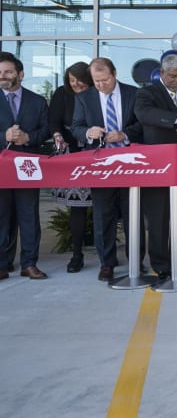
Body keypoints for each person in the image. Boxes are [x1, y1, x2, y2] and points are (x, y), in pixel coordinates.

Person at [72, 57, 145, 282]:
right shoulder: (85, 98)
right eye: (97, 81)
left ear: (114, 74)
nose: (101, 85)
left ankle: (136, 259)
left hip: (129, 163)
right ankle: (107, 263)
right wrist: (88, 132)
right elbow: (75, 127)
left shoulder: (134, 94)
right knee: (103, 215)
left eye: (105, 80)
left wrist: (125, 134)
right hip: (101, 165)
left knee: (134, 213)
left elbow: (143, 125)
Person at [135, 54, 177, 281]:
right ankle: (161, 263)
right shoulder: (147, 93)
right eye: (173, 76)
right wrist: (176, 118)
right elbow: (144, 114)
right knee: (159, 216)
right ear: (162, 73)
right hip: (159, 166)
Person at [0, 51, 50, 281]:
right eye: (0, 73)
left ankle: (29, 264)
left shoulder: (37, 101)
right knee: (2, 216)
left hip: (27, 167)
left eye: (8, 71)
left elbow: (46, 131)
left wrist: (27, 138)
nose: (3, 76)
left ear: (20, 74)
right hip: (1, 168)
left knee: (29, 216)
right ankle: (2, 263)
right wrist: (4, 137)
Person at [48, 61, 94, 273]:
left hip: (97, 154)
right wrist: (57, 135)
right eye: (71, 80)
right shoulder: (61, 94)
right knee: (78, 208)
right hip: (72, 154)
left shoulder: (95, 93)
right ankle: (77, 255)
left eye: (79, 80)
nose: (75, 84)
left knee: (108, 207)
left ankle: (107, 256)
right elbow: (54, 121)